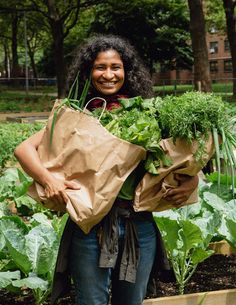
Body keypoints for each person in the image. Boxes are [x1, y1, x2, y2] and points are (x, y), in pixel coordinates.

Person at [14, 34, 198, 305]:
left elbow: (183, 163)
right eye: (100, 67)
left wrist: (190, 184)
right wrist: (49, 180)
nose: (108, 74)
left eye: (116, 67)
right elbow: (23, 149)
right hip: (90, 226)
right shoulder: (75, 114)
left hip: (139, 225)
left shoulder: (148, 113)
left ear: (127, 71)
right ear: (89, 71)